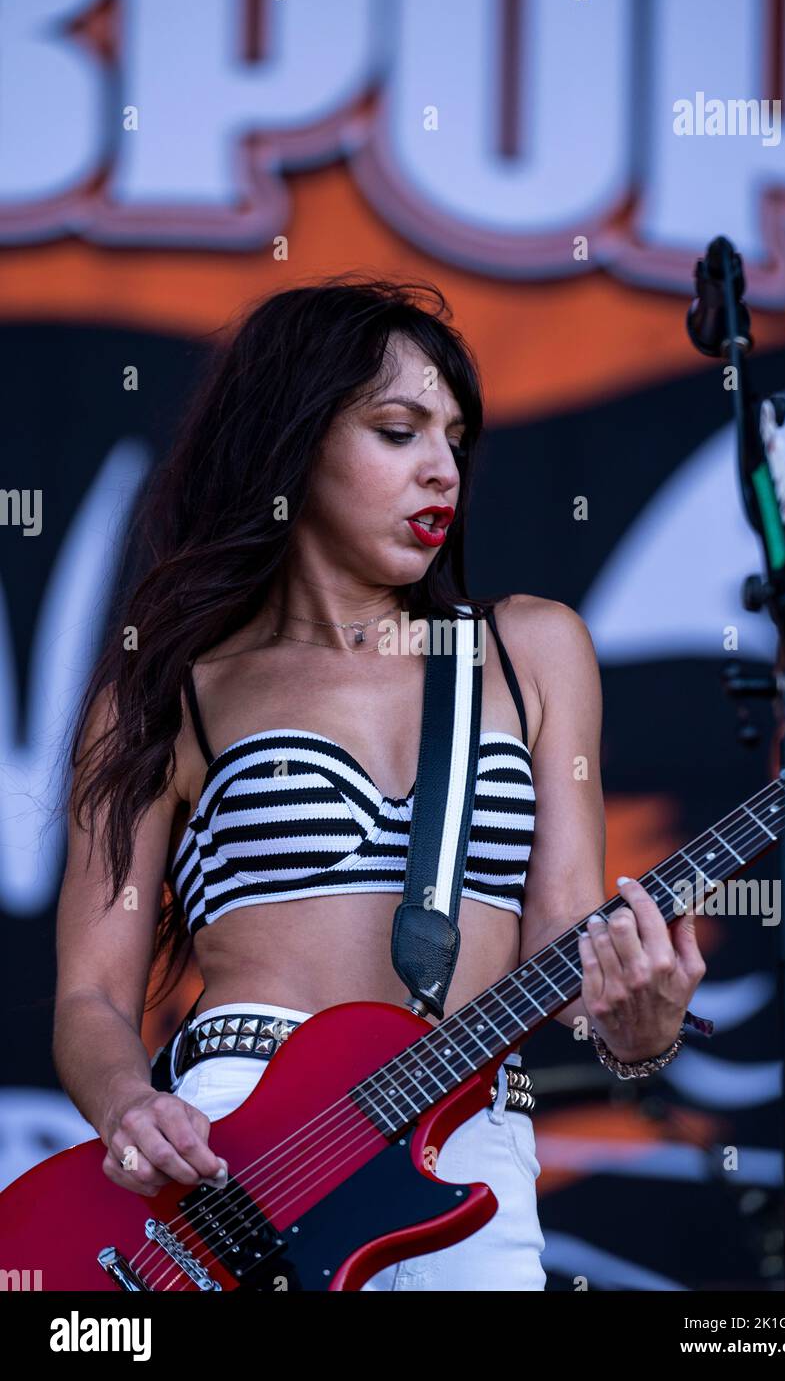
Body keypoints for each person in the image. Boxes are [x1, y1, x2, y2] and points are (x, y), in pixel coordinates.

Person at [52, 277, 707, 1291]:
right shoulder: (170, 685)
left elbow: (563, 949)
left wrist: (638, 1031)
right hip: (235, 1141)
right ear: (293, 441)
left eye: (455, 437)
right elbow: (91, 991)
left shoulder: (531, 648)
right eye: (398, 431)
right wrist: (129, 1109)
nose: (441, 468)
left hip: (467, 1136)